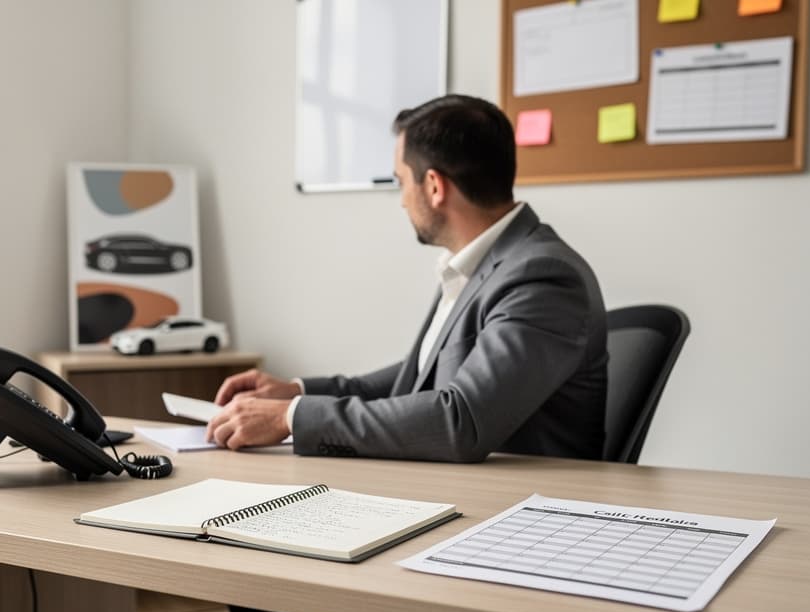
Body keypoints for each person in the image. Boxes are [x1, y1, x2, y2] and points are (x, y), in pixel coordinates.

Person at [206, 94, 608, 463]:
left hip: (520, 516)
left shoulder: (541, 276)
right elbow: (417, 380)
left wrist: (292, 418)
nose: (400, 200)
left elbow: (461, 419)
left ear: (434, 186)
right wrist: (299, 392)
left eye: (400, 181)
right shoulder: (482, 263)